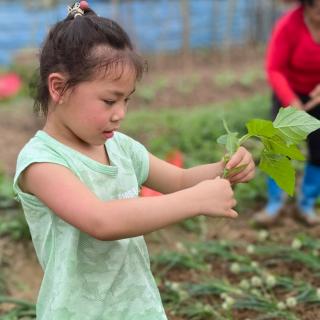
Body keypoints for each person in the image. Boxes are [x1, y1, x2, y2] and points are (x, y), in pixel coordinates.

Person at [13, 2, 255, 319]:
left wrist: (224, 170)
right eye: (109, 100)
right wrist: (194, 201)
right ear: (58, 88)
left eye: (126, 100)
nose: (120, 113)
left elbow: (180, 181)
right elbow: (101, 221)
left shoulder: (121, 147)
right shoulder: (41, 162)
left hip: (138, 307)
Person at [254, 0, 320, 227]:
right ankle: (276, 201)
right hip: (288, 93)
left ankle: (306, 203)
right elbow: (274, 68)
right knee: (279, 148)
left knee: (319, 150)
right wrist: (292, 102)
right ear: (307, 6)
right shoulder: (288, 26)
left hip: (317, 95)